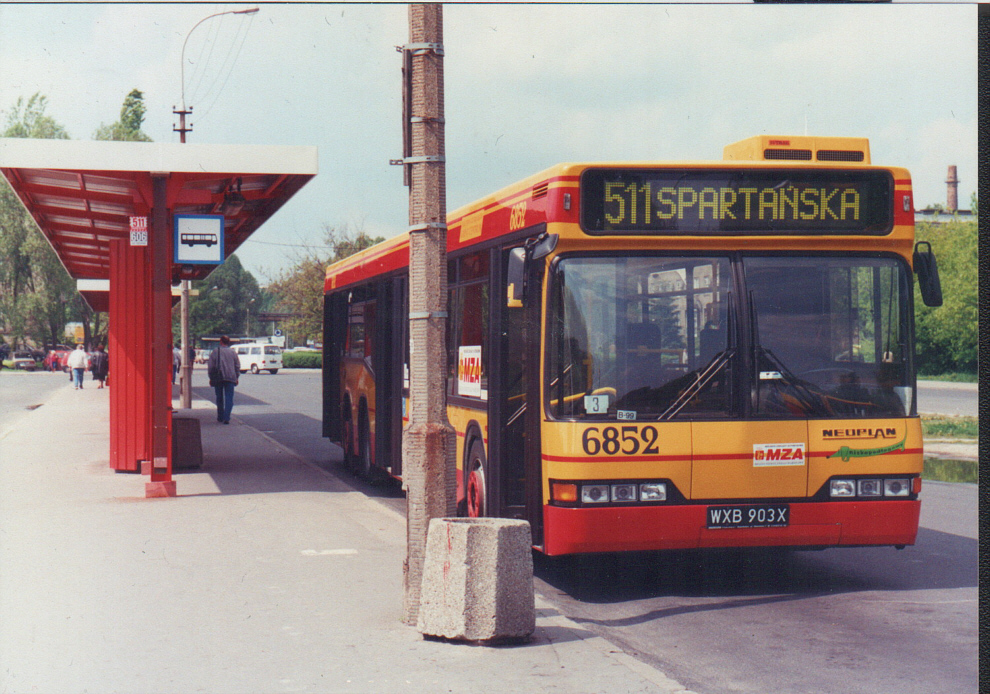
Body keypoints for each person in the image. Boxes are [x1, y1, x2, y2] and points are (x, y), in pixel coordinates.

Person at [207, 336, 240, 424]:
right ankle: (227, 417)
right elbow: (237, 366)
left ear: (221, 341)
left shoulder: (215, 351)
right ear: (228, 342)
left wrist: (211, 377)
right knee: (229, 398)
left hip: (218, 378)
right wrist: (236, 377)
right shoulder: (233, 352)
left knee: (219, 398)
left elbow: (210, 366)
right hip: (230, 378)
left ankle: (220, 416)